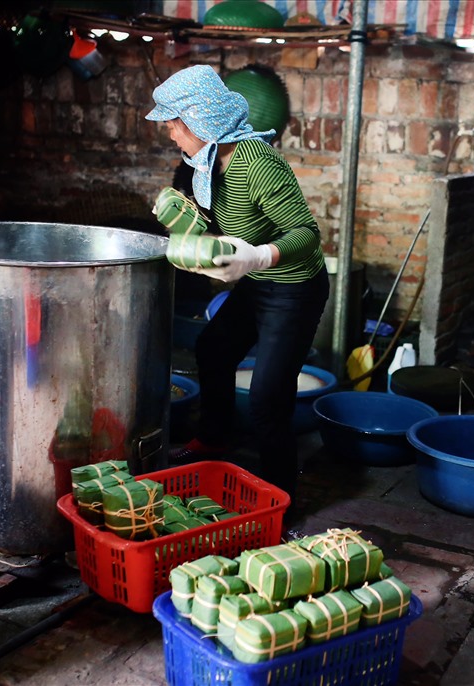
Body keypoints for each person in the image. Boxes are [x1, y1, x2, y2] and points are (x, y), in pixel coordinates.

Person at [145, 64, 328, 502]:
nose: (172, 135)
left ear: (200, 122)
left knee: (268, 399)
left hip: (293, 288)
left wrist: (259, 256)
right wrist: (183, 217)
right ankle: (214, 440)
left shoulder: (257, 163)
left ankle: (281, 497)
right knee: (212, 348)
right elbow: (218, 219)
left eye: (174, 126)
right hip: (257, 281)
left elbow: (306, 233)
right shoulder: (207, 163)